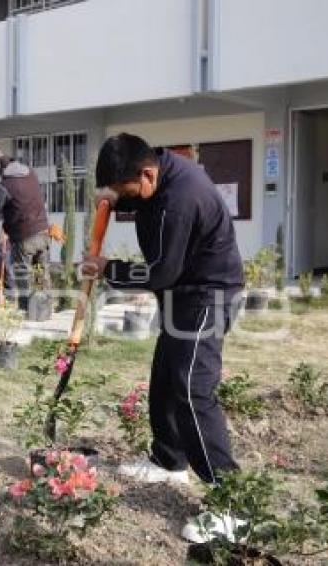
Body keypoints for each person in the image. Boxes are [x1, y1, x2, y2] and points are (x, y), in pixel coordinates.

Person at [80, 133, 245, 544]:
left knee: (192, 390)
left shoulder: (180, 197)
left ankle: (235, 506)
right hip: (182, 294)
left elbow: (160, 272)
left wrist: (108, 269)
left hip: (207, 294)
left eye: (127, 192)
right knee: (165, 376)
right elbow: (165, 270)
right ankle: (169, 461)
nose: (123, 201)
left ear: (148, 173)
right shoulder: (157, 182)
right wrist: (117, 197)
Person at [0, 150, 51, 311]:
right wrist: (2, 157)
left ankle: (27, 310)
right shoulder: (32, 175)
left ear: (3, 172)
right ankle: (46, 309)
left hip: (24, 236)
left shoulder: (6, 185)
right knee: (43, 274)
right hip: (44, 232)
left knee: (24, 275)